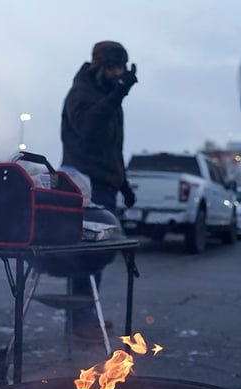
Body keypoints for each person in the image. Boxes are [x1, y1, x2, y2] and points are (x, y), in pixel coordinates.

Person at [60, 40, 138, 342]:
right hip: (84, 186)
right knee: (86, 257)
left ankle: (86, 317)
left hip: (105, 186)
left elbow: (112, 151)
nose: (117, 73)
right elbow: (89, 129)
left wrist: (124, 185)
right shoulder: (82, 93)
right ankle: (80, 321)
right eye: (112, 67)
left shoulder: (109, 98)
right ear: (99, 66)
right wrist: (119, 93)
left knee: (97, 258)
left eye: (121, 67)